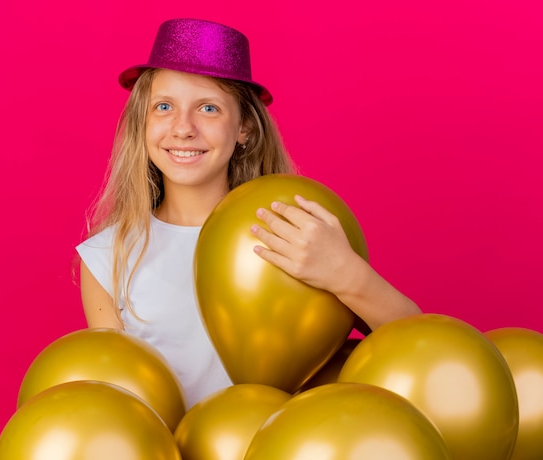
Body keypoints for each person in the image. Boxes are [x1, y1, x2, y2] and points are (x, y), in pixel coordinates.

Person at [76, 18, 421, 408]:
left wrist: (346, 273)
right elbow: (122, 405)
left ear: (245, 129)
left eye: (208, 108)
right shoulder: (109, 256)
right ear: (143, 122)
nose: (183, 128)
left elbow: (419, 350)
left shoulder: (291, 228)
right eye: (164, 107)